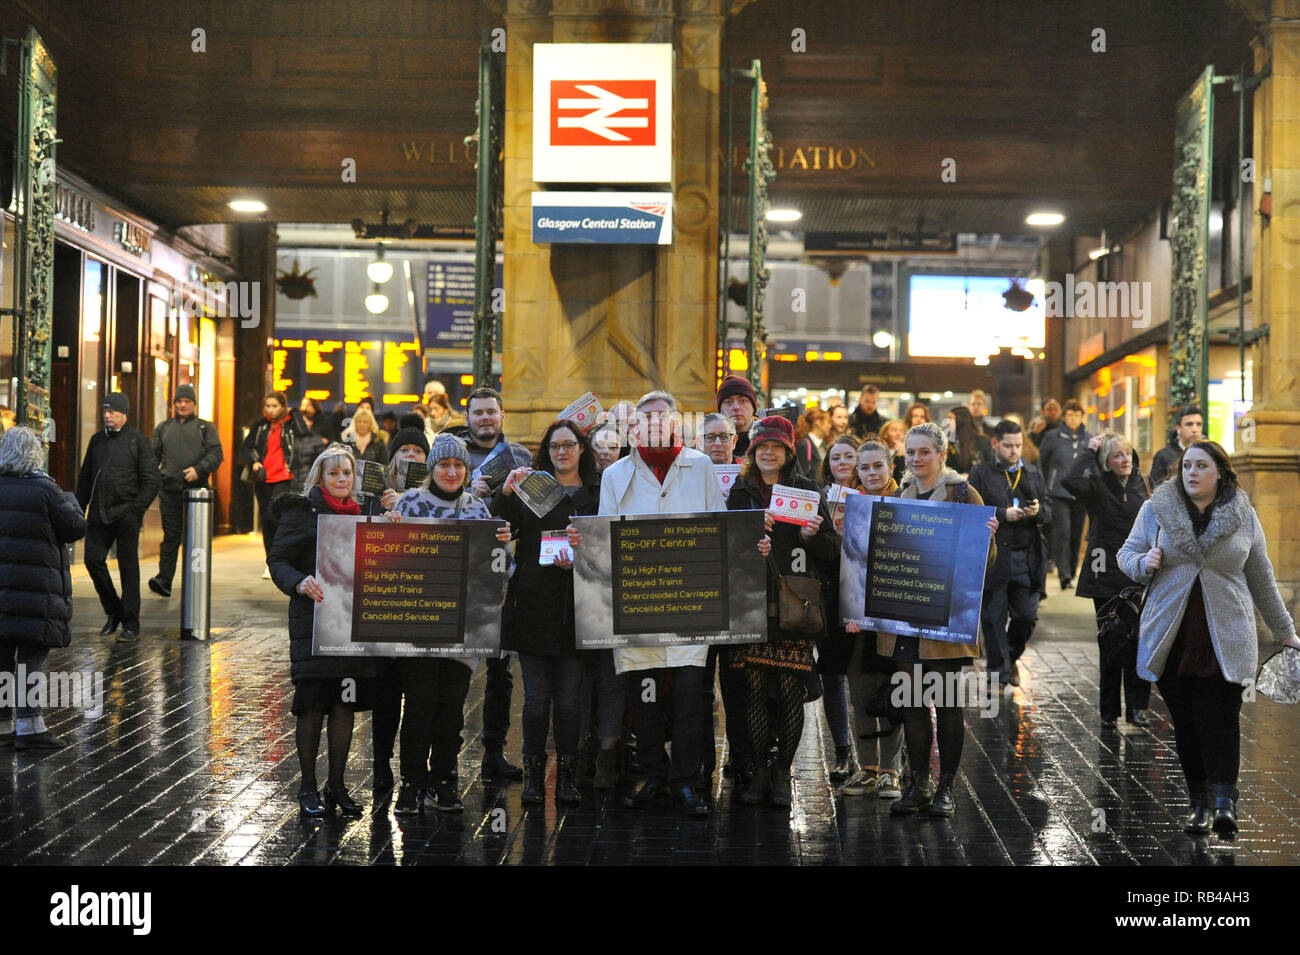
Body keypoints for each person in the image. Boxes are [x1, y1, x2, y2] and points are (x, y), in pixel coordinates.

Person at [1119, 439, 1299, 836]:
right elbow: (1125, 554)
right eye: (1186, 467)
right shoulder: (1156, 510)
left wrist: (1286, 632)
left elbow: (1262, 578)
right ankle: (1198, 803)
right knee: (1186, 722)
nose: (1192, 474)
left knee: (1220, 718)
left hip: (1227, 635)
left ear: (1220, 472)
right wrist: (1143, 562)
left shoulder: (1243, 515)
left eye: (1201, 466)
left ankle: (1223, 802)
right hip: (1172, 634)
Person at [578, 390, 725, 817]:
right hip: (637, 605)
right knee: (644, 699)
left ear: (676, 424)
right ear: (634, 428)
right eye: (648, 419)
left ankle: (684, 781)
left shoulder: (699, 467)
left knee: (688, 701)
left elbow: (718, 526)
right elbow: (604, 535)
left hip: (690, 605)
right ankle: (654, 775)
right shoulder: (616, 474)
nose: (656, 425)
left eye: (664, 417)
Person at [387, 433, 513, 813]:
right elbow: (386, 558)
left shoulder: (478, 510)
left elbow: (500, 568)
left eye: (458, 465)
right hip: (418, 626)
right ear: (432, 469)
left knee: (451, 709)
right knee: (420, 705)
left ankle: (444, 779)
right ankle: (411, 783)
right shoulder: (409, 503)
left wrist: (504, 545)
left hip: (463, 629)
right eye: (444, 464)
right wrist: (388, 529)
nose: (452, 471)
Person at [884, 422, 997, 817]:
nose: (915, 460)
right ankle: (919, 784)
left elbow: (988, 558)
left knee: (947, 703)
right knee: (912, 703)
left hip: (946, 614)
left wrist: (986, 538)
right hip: (905, 613)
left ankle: (946, 788)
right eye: (910, 453)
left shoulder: (963, 493)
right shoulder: (899, 494)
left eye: (923, 452)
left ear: (941, 453)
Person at [727, 415, 839, 808]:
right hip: (752, 604)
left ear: (790, 452)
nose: (768, 453)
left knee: (791, 690)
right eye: (762, 447)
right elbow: (726, 547)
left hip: (797, 605)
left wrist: (811, 537)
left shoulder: (807, 489)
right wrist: (748, 540)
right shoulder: (740, 492)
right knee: (754, 690)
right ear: (753, 451)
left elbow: (832, 552)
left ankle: (782, 773)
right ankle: (759, 770)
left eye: (776, 447)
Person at [267, 443, 381, 817]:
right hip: (313, 623)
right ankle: (307, 787)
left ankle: (336, 785)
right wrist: (299, 582)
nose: (341, 479)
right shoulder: (301, 512)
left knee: (344, 704)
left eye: (346, 472)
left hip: (351, 625)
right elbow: (278, 560)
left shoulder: (367, 513)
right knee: (312, 706)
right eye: (333, 473)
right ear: (319, 477)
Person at [494, 420, 603, 805]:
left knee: (571, 700)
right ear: (547, 450)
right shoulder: (532, 488)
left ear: (582, 449)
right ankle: (535, 777)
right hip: (534, 605)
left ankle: (568, 777)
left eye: (568, 445)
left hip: (578, 607)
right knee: (537, 699)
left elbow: (609, 544)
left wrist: (580, 554)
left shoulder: (597, 491)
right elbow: (500, 527)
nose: (562, 452)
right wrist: (506, 494)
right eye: (555, 446)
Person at [453, 387, 533, 782]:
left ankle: (494, 751)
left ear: (502, 416)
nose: (485, 418)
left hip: (503, 572)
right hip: (458, 573)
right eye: (478, 413)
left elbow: (529, 514)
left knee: (500, 669)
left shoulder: (519, 457)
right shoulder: (451, 452)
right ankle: (446, 751)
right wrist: (470, 494)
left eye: (492, 412)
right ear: (467, 418)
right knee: (454, 667)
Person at [0, 427, 87, 749]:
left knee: (2, 658)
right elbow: (74, 528)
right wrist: (72, 502)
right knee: (32, 658)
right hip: (37, 592)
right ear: (36, 454)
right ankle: (30, 726)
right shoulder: (46, 489)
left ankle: (3, 726)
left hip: (3, 594)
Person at [1063, 432, 1152, 727]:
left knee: (1141, 641)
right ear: (1106, 461)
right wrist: (1089, 451)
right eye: (1117, 455)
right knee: (1111, 642)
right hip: (1105, 572)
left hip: (1138, 571)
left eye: (1127, 453)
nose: (1125, 459)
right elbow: (1069, 481)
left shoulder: (1144, 483)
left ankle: (1138, 707)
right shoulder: (1097, 485)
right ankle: (1109, 712)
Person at [841, 439, 905, 799]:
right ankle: (866, 768)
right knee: (861, 691)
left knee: (894, 691)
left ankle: (891, 771)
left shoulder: (908, 501)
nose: (871, 473)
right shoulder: (851, 505)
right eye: (864, 468)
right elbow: (846, 560)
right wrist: (851, 609)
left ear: (890, 467)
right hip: (858, 617)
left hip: (898, 613)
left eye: (877, 466)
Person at [968, 420, 1051, 687]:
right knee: (992, 619)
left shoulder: (1032, 473)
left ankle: (1009, 658)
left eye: (1018, 445)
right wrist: (1003, 515)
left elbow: (1050, 511)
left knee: (1027, 617)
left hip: (1026, 556)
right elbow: (970, 511)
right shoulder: (981, 473)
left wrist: (1038, 511)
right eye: (1008, 446)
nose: (1014, 451)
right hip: (993, 556)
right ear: (995, 444)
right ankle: (998, 674)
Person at [75, 392, 161, 643]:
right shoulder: (96, 442)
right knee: (93, 560)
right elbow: (85, 480)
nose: (107, 415)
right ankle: (114, 611)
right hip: (99, 513)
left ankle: (131, 623)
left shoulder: (138, 442)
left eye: (112, 411)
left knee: (128, 568)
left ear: (124, 413)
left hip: (126, 514)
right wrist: (78, 511)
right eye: (105, 411)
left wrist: (136, 510)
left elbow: (152, 479)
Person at [148, 384, 224, 598]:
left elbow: (216, 454)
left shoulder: (205, 428)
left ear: (194, 404)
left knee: (196, 538)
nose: (182, 405)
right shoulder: (163, 428)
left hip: (197, 492)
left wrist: (198, 470)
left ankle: (195, 580)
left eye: (186, 401)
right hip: (169, 490)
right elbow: (153, 456)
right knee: (171, 536)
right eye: (178, 401)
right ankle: (164, 579)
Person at [818, 434, 861, 782]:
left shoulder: (874, 495)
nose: (842, 463)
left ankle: (883, 755)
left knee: (867, 676)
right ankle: (843, 751)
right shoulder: (818, 497)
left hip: (864, 597)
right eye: (836, 458)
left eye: (849, 456)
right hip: (829, 596)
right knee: (832, 676)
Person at [241, 391, 314, 562]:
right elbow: (246, 446)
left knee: (278, 517)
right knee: (267, 520)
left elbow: (305, 438)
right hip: (263, 477)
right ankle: (271, 560)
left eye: (275, 406)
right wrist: (254, 462)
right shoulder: (261, 425)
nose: (271, 410)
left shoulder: (291, 424)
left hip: (285, 477)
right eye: (268, 406)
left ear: (283, 406)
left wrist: (295, 414)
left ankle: (282, 556)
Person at [1039, 398, 1092, 589]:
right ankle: (1064, 575)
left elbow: (1093, 463)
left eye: (1077, 415)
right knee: (1063, 533)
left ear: (1082, 417)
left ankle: (1071, 570)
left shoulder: (1088, 438)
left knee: (1077, 534)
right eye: (1069, 415)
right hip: (1058, 492)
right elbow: (1042, 461)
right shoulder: (1053, 436)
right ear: (1064, 416)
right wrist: (1046, 484)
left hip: (1081, 492)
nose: (1073, 419)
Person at [1148, 403, 1204, 487]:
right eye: (1189, 424)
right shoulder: (1163, 456)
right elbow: (1156, 491)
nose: (1195, 429)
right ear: (1178, 428)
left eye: (1198, 424)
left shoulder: (1209, 454)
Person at [717, 374, 760, 458]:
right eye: (728, 402)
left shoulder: (767, 437)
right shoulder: (708, 442)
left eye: (743, 401)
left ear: (753, 407)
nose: (736, 407)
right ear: (720, 410)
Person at [943, 405, 993, 476]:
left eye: (950, 419)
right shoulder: (950, 443)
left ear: (960, 420)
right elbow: (946, 468)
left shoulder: (982, 442)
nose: (947, 423)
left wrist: (971, 476)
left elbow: (990, 467)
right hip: (956, 484)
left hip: (978, 484)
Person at [793, 407, 830, 480]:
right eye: (828, 422)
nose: (830, 426)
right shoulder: (803, 445)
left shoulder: (824, 445)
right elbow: (801, 474)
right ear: (818, 423)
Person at [878, 418, 908, 484]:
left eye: (902, 431)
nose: (898, 433)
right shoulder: (878, 451)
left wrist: (901, 456)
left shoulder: (909, 453)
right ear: (885, 434)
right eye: (894, 430)